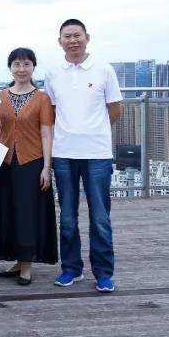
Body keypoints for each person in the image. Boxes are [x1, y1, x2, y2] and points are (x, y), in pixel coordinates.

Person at [44, 19, 122, 293]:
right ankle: (71, 268)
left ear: (87, 37)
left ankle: (103, 273)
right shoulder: (53, 73)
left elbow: (115, 108)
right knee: (67, 216)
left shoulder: (103, 69)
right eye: (67, 36)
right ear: (60, 42)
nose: (73, 40)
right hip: (64, 153)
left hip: (97, 154)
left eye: (77, 35)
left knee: (100, 217)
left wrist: (93, 131)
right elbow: (52, 111)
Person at [0, 47, 58, 284]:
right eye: (17, 64)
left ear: (33, 67)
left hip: (31, 162)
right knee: (7, 211)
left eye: (26, 64)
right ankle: (16, 259)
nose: (21, 69)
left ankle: (26, 265)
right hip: (5, 162)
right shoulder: (0, 96)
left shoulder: (42, 98)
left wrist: (47, 167)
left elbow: (46, 133)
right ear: (10, 68)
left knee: (27, 213)